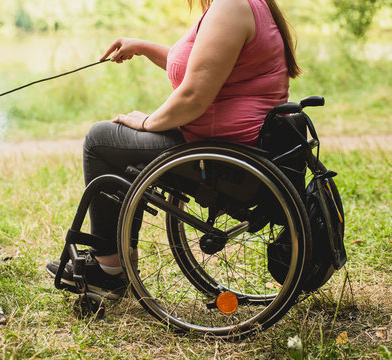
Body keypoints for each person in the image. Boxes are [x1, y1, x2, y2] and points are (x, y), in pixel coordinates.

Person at [46, 0, 301, 299]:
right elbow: (203, 64)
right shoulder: (242, 5)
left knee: (100, 140)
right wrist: (142, 46)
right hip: (227, 143)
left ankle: (108, 268)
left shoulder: (231, 6)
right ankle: (115, 263)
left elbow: (193, 95)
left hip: (222, 152)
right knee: (116, 139)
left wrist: (148, 122)